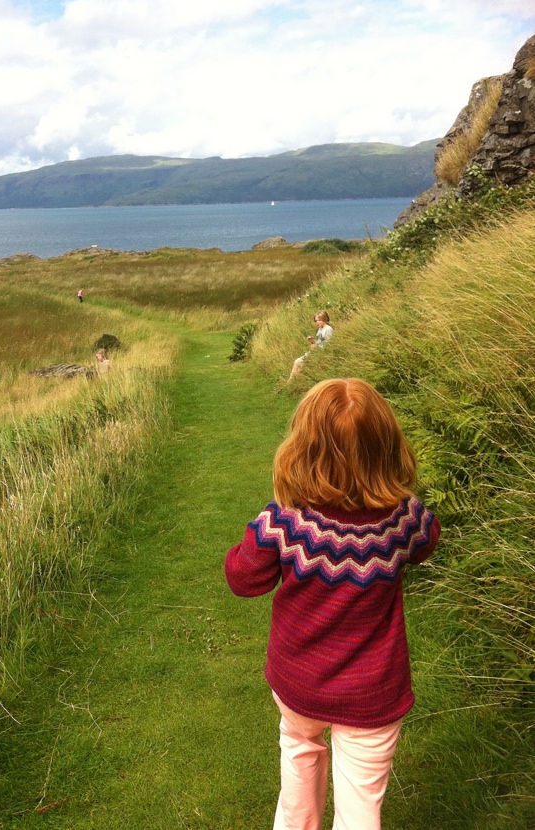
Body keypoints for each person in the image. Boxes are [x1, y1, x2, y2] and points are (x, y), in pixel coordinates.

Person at [225, 378, 440, 830]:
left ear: (302, 448)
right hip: (373, 691)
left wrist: (252, 538)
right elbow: (428, 543)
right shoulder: (405, 517)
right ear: (386, 447)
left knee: (299, 760)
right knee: (361, 807)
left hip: (298, 680)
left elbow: (244, 579)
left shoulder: (286, 520)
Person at [288, 311, 333, 380]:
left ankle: (291, 382)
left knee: (298, 363)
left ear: (324, 319)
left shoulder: (328, 329)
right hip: (314, 352)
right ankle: (292, 381)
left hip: (320, 354)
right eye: (315, 321)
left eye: (319, 320)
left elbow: (328, 345)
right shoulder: (320, 329)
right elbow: (319, 342)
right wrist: (312, 341)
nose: (317, 322)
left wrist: (316, 347)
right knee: (297, 363)